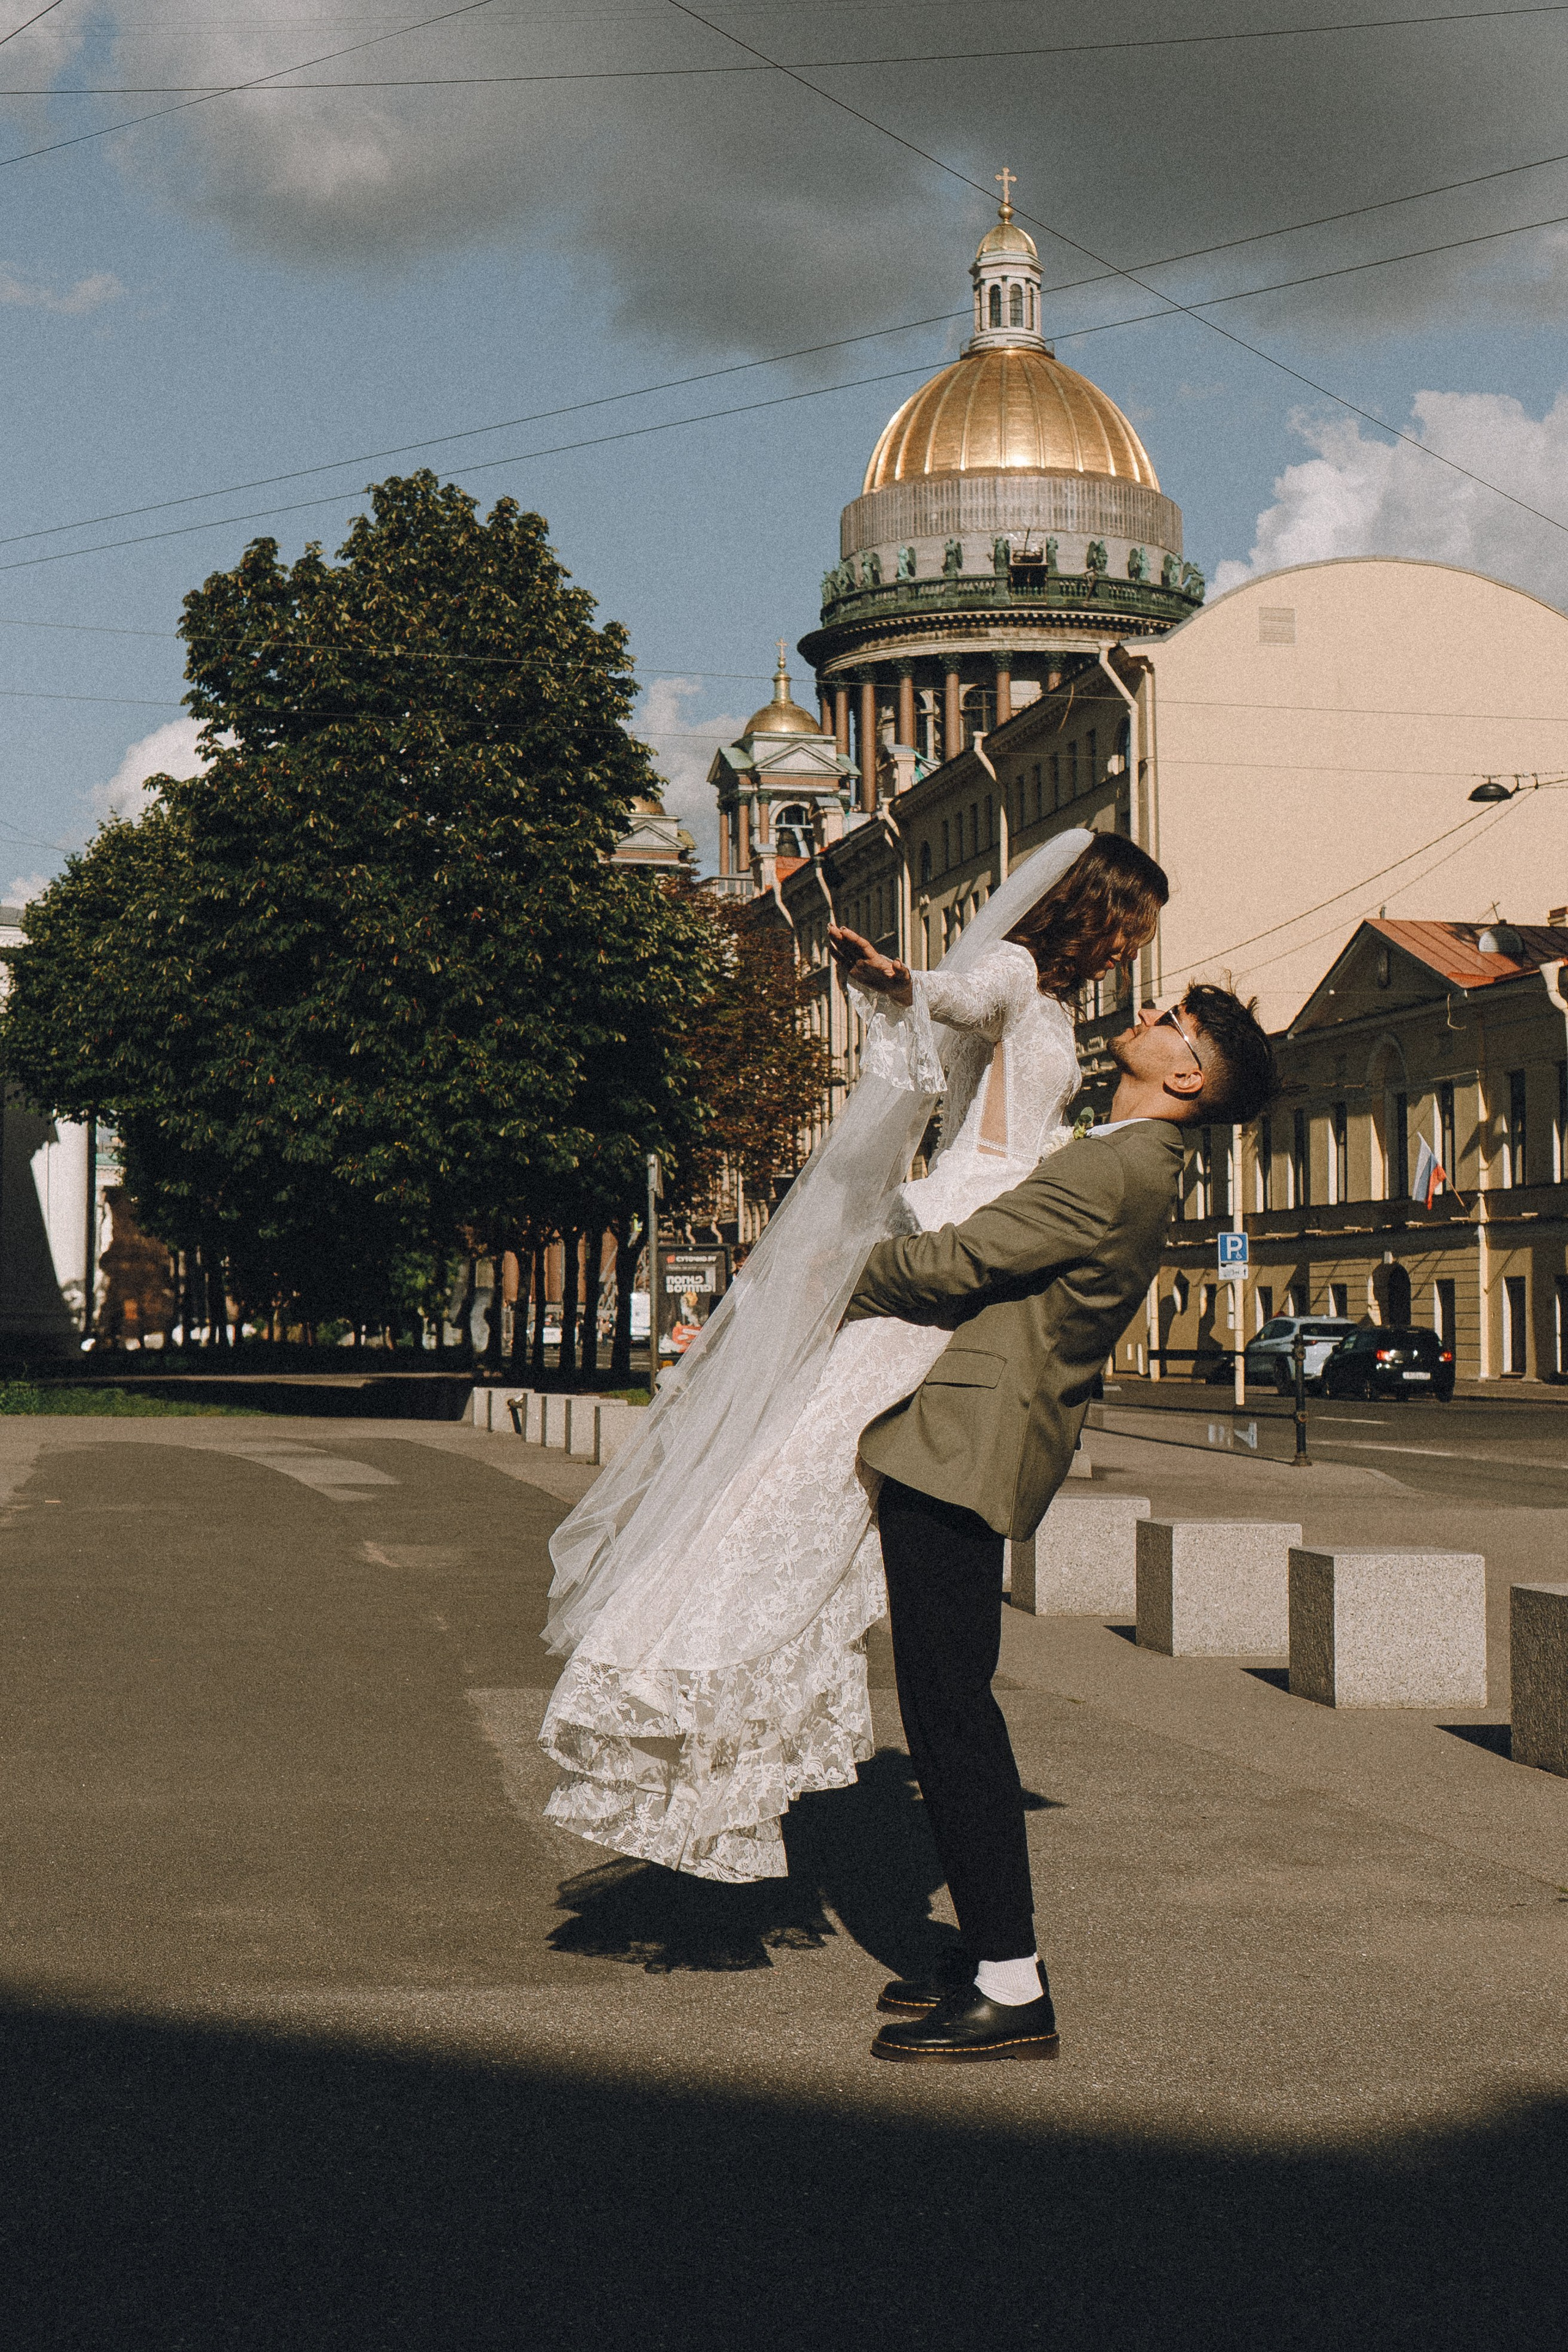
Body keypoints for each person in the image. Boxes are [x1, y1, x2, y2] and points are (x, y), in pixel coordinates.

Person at [538, 832, 1167, 1882]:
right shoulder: (1017, 974)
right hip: (958, 1229)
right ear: (1092, 911)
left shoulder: (1054, 1007)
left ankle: (737, 1661)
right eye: (1128, 928)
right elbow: (960, 995)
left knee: (839, 1462)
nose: (1129, 954)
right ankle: (694, 1655)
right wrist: (895, 979)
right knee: (818, 1466)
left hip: (966, 1227)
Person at [858, 982, 1278, 2063]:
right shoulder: (1136, 1161)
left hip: (966, 1446)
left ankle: (1011, 1982)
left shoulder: (1113, 1166)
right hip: (974, 1438)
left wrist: (829, 1264)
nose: (1146, 1011)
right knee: (951, 1707)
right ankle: (989, 1955)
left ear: (1186, 1074)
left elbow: (955, 1266)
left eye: (1170, 1016)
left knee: (950, 1715)